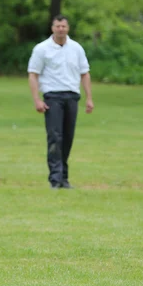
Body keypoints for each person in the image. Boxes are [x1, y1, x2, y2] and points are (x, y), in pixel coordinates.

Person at [28, 14, 94, 189]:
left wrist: (89, 98)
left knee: (67, 138)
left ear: (68, 28)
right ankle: (55, 178)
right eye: (57, 26)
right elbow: (33, 74)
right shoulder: (42, 49)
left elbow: (84, 73)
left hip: (72, 96)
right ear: (52, 28)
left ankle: (64, 177)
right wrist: (37, 100)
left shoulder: (76, 48)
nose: (60, 29)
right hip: (53, 97)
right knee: (55, 137)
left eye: (63, 26)